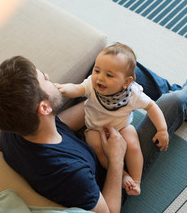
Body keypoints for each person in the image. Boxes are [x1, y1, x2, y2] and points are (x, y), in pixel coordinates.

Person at [0, 47, 187, 213]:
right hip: (117, 175)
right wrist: (116, 159)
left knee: (108, 71)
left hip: (95, 136)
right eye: (43, 79)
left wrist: (103, 100)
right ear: (43, 107)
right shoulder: (69, 174)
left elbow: (63, 125)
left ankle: (185, 90)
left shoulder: (14, 128)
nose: (48, 76)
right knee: (172, 103)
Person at [55, 43, 168, 196]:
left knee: (133, 145)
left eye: (109, 75)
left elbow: (151, 107)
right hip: (95, 128)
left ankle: (136, 181)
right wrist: (63, 89)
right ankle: (122, 175)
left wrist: (162, 129)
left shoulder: (133, 94)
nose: (100, 78)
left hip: (122, 126)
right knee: (97, 146)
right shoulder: (91, 85)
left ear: (126, 83)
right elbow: (78, 89)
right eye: (97, 70)